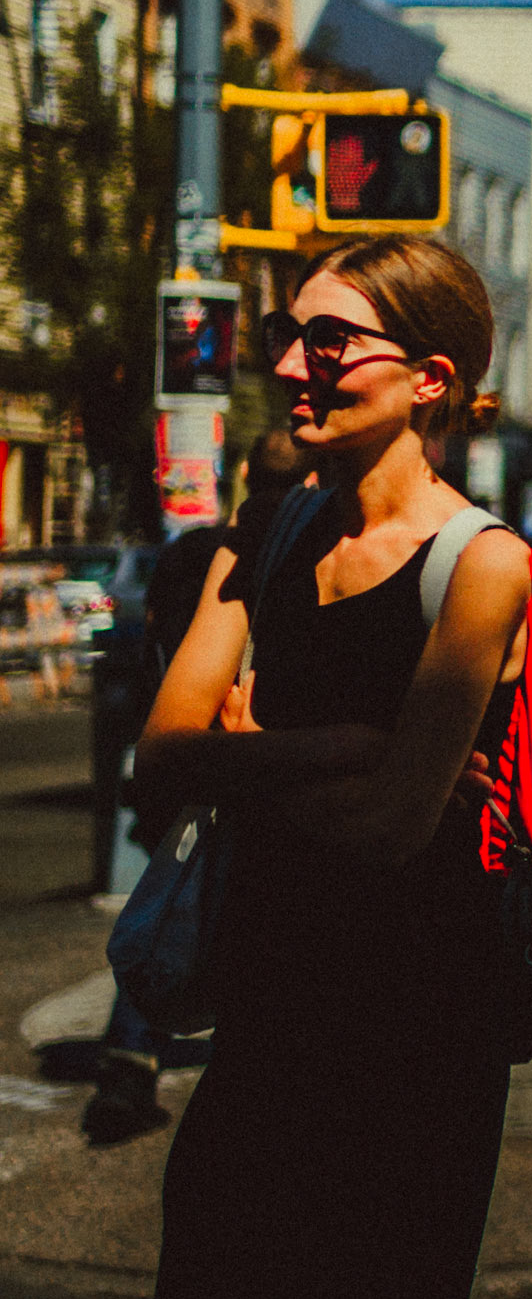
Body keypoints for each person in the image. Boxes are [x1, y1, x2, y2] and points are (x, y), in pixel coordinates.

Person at [134, 236, 530, 1299]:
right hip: (270, 1021)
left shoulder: (479, 568)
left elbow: (390, 827)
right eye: (289, 337)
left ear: (430, 378)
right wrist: (329, 747)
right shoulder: (272, 531)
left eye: (329, 341)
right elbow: (162, 754)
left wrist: (251, 756)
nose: (294, 366)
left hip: (414, 1052)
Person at [82, 431, 306, 1146]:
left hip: (182, 751)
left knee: (174, 893)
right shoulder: (293, 552)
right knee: (233, 910)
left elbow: (151, 639)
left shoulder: (187, 555)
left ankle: (130, 1057)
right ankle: (155, 1054)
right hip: (251, 758)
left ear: (243, 474)